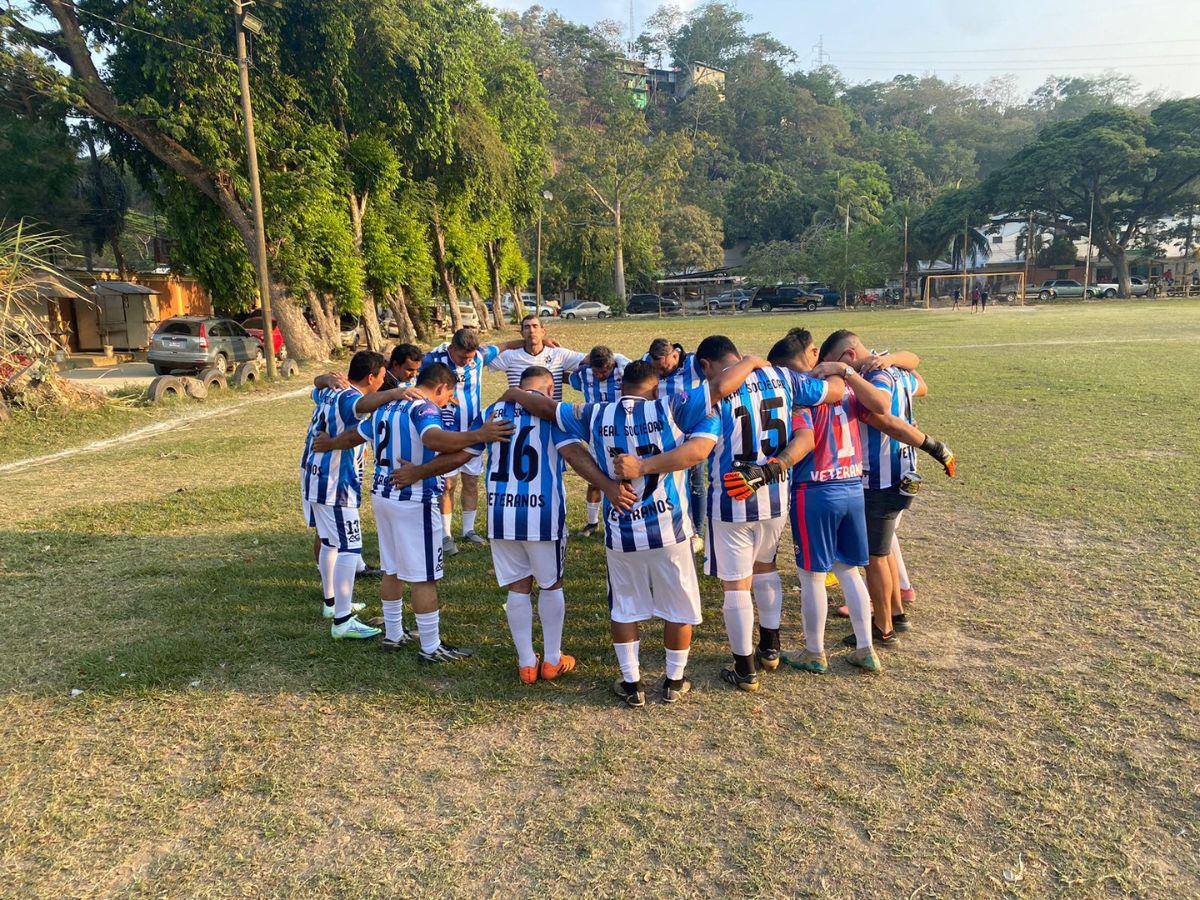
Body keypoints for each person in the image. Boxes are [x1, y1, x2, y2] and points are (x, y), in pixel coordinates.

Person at [502, 360, 720, 707]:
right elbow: (697, 451)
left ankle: (632, 684)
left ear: (622, 387)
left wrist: (515, 391)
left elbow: (551, 415)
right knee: (679, 607)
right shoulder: (672, 407)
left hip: (622, 531)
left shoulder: (596, 413)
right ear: (654, 387)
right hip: (670, 529)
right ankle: (674, 680)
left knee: (624, 608)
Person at [313, 363, 514, 661]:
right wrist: (479, 435)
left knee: (391, 568)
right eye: (448, 396)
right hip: (413, 498)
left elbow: (357, 434)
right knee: (424, 577)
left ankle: (394, 634)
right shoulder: (424, 408)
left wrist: (331, 443)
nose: (447, 402)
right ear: (442, 388)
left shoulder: (387, 405)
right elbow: (433, 439)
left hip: (382, 494)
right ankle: (431, 647)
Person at [682, 335, 844, 692]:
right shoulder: (784, 378)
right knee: (766, 567)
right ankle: (770, 648)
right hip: (774, 492)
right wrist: (839, 370)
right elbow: (833, 393)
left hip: (732, 495)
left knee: (736, 583)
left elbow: (689, 425)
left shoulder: (715, 392)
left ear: (707, 365)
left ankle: (745, 668)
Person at [474, 366, 635, 684]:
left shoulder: (491, 411)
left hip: (501, 513)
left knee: (518, 587)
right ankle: (550, 660)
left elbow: (464, 448)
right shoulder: (551, 414)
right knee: (550, 584)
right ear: (549, 390)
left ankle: (525, 664)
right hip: (542, 515)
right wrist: (608, 486)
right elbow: (575, 456)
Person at [822, 332, 956, 646]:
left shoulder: (873, 376)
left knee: (874, 557)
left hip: (882, 478)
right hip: (903, 473)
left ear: (849, 357)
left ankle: (882, 629)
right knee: (885, 548)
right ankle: (895, 612)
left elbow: (881, 409)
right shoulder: (891, 370)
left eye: (833, 365)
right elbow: (920, 380)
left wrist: (848, 375)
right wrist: (893, 359)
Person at [770, 331, 893, 673]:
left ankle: (814, 651)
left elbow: (804, 439)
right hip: (853, 484)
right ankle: (866, 648)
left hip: (815, 490)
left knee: (811, 576)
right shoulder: (849, 389)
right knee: (849, 570)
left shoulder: (803, 395)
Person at [301, 351, 414, 639]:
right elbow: (363, 402)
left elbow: (316, 386)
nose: (382, 383)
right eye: (381, 377)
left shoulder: (329, 390)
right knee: (350, 548)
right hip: (335, 483)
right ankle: (342, 621)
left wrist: (324, 377)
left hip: (314, 477)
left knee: (330, 542)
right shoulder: (350, 397)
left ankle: (331, 603)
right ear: (371, 377)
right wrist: (397, 394)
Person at [423, 328, 522, 553]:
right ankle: (445, 534)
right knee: (447, 484)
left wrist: (537, 340)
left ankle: (469, 530)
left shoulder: (478, 356)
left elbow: (504, 345)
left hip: (475, 429)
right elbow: (409, 375)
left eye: (470, 357)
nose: (467, 361)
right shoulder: (433, 359)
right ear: (452, 348)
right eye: (462, 357)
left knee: (471, 481)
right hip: (446, 432)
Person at [644, 338, 708, 553]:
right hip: (662, 436)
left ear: (674, 355)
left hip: (691, 436)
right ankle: (665, 524)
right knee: (665, 483)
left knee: (695, 483)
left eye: (665, 368)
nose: (661, 373)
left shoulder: (693, 363)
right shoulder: (648, 361)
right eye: (657, 369)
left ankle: (697, 532)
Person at [567, 345, 633, 537]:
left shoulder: (622, 370)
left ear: (612, 365)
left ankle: (626, 519)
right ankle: (592, 522)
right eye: (597, 372)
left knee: (624, 476)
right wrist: (583, 362)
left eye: (604, 371)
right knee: (594, 477)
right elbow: (571, 378)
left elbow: (631, 365)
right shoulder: (584, 374)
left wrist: (618, 357)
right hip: (595, 432)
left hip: (622, 430)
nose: (600, 375)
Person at [489, 314, 588, 400]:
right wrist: (508, 344)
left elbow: (591, 359)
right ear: (522, 333)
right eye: (527, 327)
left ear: (543, 331)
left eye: (535, 326)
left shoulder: (557, 354)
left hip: (551, 415)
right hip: (521, 416)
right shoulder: (510, 356)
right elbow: (479, 355)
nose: (531, 331)